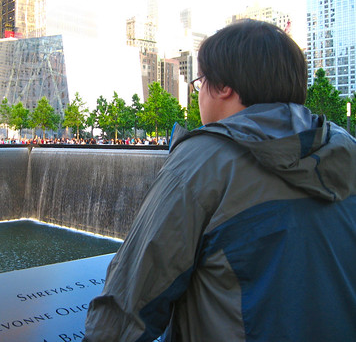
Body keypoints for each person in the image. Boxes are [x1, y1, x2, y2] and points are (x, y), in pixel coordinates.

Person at [84, 20, 356, 341]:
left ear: (224, 86)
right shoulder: (343, 148)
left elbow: (130, 299)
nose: (199, 95)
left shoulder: (205, 158)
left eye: (200, 82)